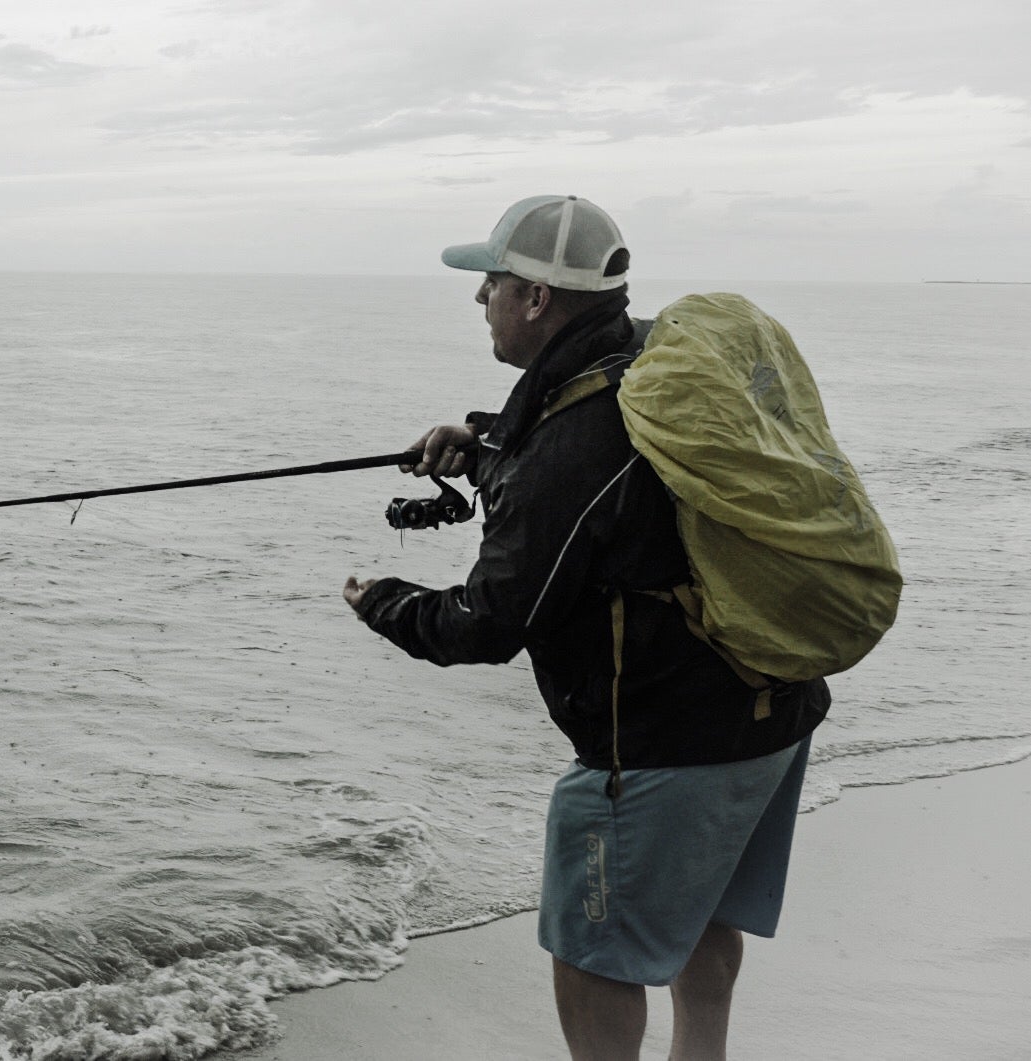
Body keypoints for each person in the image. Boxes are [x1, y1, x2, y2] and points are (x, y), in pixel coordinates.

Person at [342, 195, 829, 1061]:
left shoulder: (572, 446)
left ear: (535, 297)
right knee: (698, 912)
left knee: (590, 954)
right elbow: (612, 490)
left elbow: (486, 623)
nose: (479, 297)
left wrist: (381, 599)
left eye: (492, 282)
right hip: (772, 709)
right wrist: (487, 446)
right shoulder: (649, 360)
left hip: (661, 748)